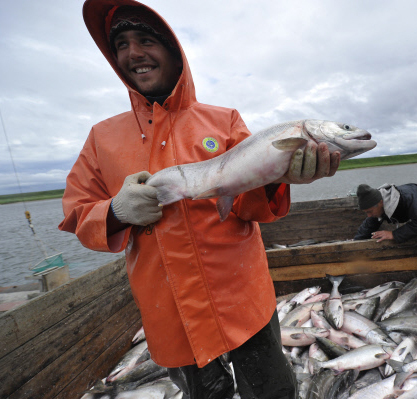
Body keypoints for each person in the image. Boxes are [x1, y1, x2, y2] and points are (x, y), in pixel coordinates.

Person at [59, 1, 340, 398]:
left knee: (273, 389)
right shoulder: (101, 138)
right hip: (167, 309)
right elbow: (77, 212)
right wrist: (116, 212)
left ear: (175, 51)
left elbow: (248, 205)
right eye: (121, 44)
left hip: (241, 298)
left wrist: (279, 178)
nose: (133, 52)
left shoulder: (223, 121)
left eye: (146, 40)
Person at [353, 183, 417, 243]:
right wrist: (355, 242)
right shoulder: (376, 204)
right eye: (366, 212)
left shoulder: (406, 198)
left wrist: (394, 234)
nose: (369, 215)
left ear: (381, 202)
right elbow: (369, 224)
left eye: (369, 211)